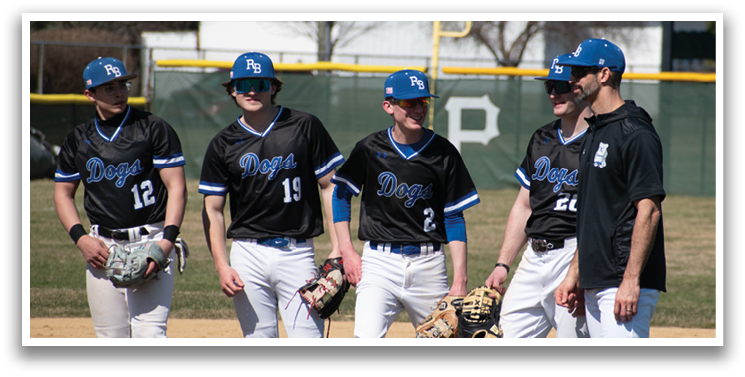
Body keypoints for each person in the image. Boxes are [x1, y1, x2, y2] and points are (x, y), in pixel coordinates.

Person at [199, 52, 345, 338]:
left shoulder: (304, 126)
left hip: (297, 251)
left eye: (261, 84)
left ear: (274, 87)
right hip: (247, 254)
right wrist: (221, 265)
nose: (252, 90)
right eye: (243, 84)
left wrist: (340, 246)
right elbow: (213, 210)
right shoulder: (222, 143)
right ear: (232, 90)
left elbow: (330, 187)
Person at [331, 69, 480, 338]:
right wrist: (347, 251)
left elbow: (454, 217)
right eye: (409, 103)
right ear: (389, 106)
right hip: (379, 263)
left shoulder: (443, 152)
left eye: (423, 101)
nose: (418, 109)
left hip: (429, 265)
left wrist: (460, 280)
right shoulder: (369, 148)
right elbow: (341, 194)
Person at [54, 57, 187, 338]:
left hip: (151, 240)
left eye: (122, 85)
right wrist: (81, 239)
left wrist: (167, 241)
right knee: (110, 337)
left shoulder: (153, 127)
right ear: (90, 94)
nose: (119, 92)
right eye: (109, 87)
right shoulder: (79, 138)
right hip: (102, 248)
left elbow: (177, 187)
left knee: (150, 334)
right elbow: (63, 194)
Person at [554, 39, 666, 338]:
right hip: (597, 278)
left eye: (579, 71)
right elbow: (594, 216)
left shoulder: (635, 132)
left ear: (604, 75)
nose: (571, 79)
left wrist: (631, 280)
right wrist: (576, 274)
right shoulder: (597, 130)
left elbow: (650, 210)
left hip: (622, 281)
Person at [484, 54, 591, 338]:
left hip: (573, 256)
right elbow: (523, 205)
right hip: (533, 259)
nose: (553, 93)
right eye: (549, 87)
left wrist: (582, 271)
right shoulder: (541, 138)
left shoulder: (600, 141)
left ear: (580, 87)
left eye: (561, 86)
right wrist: (502, 264)